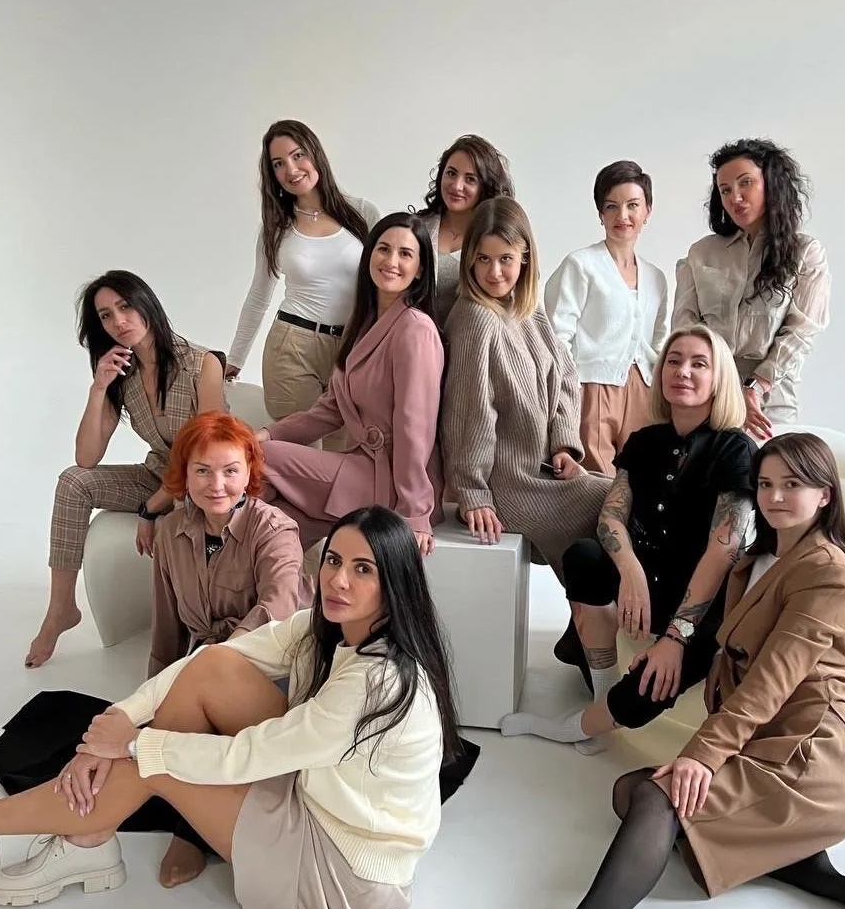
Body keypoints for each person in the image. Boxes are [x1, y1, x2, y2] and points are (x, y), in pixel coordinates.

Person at [0, 506, 461, 909]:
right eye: (333, 560)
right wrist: (118, 720)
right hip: (314, 795)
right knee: (211, 670)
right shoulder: (324, 631)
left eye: (363, 569)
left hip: (338, 874)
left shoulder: (377, 681)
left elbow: (250, 755)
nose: (338, 581)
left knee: (154, 762)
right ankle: (87, 837)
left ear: (395, 584)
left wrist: (137, 743)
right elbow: (214, 659)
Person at [531, 432, 845, 909]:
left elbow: (771, 681)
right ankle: (790, 855)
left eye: (793, 485)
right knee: (626, 793)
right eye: (765, 484)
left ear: (825, 494)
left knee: (656, 797)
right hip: (763, 738)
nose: (775, 496)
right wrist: (664, 648)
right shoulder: (754, 559)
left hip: (811, 753)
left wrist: (702, 756)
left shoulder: (828, 574)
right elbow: (728, 644)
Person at [503, 326, 755, 751]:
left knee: (646, 693)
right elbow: (611, 517)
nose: (683, 371)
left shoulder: (735, 449)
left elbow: (723, 549)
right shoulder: (644, 441)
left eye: (699, 364)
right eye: (673, 361)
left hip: (701, 602)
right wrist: (631, 570)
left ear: (719, 378)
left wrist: (676, 636)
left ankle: (581, 726)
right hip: (643, 585)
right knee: (584, 556)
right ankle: (599, 695)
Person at [28, 271, 226, 669]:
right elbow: (86, 457)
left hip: (204, 481)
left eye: (125, 306)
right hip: (158, 475)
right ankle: (61, 608)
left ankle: (192, 634)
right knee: (73, 482)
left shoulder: (201, 364)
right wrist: (99, 387)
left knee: (186, 505)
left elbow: (211, 453)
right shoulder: (122, 371)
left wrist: (152, 508)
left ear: (146, 304)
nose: (118, 320)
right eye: (105, 315)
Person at [149, 411, 303, 888]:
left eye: (230, 470)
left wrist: (212, 666)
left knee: (206, 717)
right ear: (185, 473)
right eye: (203, 471)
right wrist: (155, 689)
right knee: (153, 731)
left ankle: (191, 830)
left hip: (272, 668)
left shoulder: (273, 528)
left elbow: (278, 609)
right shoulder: (169, 533)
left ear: (249, 472)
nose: (217, 485)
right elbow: (167, 622)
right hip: (203, 659)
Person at [441, 196, 612, 582]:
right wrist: (473, 493)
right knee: (617, 504)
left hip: (547, 469)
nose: (494, 272)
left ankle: (599, 612)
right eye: (483, 259)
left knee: (629, 495)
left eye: (505, 258)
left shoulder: (527, 308)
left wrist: (564, 445)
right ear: (469, 260)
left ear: (525, 258)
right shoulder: (475, 319)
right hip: (511, 484)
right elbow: (469, 415)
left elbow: (566, 378)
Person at [260, 212, 444, 560]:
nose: (391, 261)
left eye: (405, 254)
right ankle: (254, 589)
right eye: (383, 249)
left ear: (420, 269)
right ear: (369, 255)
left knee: (254, 459)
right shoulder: (362, 323)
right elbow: (329, 410)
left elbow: (415, 428)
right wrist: (267, 433)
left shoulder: (415, 329)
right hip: (359, 468)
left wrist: (415, 512)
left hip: (390, 483)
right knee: (275, 529)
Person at [225, 120, 381, 434]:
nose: (291, 170)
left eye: (298, 156)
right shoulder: (276, 229)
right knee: (301, 450)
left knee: (344, 450)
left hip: (351, 347)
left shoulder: (363, 213)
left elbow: (383, 283)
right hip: (292, 347)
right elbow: (259, 296)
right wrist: (236, 357)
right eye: (278, 164)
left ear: (315, 154)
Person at [672, 138, 831, 440]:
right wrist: (722, 387)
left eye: (746, 183)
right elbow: (685, 328)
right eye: (725, 190)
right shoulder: (701, 254)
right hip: (708, 393)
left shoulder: (805, 253)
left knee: (768, 466)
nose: (735, 197)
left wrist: (755, 387)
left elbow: (801, 332)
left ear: (771, 184)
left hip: (769, 401)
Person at [545, 160, 669, 474]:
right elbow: (558, 336)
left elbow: (659, 341)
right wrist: (566, 393)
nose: (622, 215)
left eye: (632, 205)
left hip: (644, 392)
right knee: (596, 479)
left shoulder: (656, 278)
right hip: (592, 388)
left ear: (647, 211)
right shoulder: (581, 265)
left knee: (641, 479)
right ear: (601, 213)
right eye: (611, 206)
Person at [416, 134, 514, 329]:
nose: (457, 186)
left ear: (485, 186)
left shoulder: (498, 237)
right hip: (416, 341)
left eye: (470, 179)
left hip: (470, 342)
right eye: (451, 173)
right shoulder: (416, 228)